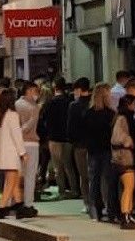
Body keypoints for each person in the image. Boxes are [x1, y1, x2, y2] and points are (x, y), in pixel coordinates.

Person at [0, 88, 33, 222]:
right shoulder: (12, 115)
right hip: (11, 153)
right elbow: (17, 136)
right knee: (11, 182)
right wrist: (23, 153)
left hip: (0, 152)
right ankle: (1, 209)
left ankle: (19, 206)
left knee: (13, 182)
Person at [83, 84, 118, 222]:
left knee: (94, 180)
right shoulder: (111, 114)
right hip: (107, 150)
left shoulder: (88, 113)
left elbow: (84, 133)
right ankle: (110, 209)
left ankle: (94, 210)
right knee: (108, 181)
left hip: (92, 150)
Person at [42, 78, 78, 198]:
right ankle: (74, 189)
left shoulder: (50, 103)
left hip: (54, 137)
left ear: (54, 86)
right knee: (69, 165)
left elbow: (45, 120)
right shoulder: (70, 101)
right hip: (68, 138)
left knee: (58, 167)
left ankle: (62, 191)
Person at [111, 95, 135, 229]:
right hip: (124, 158)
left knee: (129, 188)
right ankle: (125, 216)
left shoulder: (121, 117)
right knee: (128, 188)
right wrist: (129, 141)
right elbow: (118, 137)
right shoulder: (123, 118)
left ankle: (128, 214)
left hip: (124, 157)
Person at [67, 77, 93, 214]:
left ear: (78, 90)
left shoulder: (74, 106)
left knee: (83, 176)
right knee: (95, 174)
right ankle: (97, 201)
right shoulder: (94, 103)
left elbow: (70, 127)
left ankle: (87, 202)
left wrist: (72, 141)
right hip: (94, 144)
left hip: (80, 145)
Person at [16, 83, 42, 209]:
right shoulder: (34, 107)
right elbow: (30, 126)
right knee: (30, 175)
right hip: (31, 142)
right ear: (29, 90)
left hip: (17, 144)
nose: (37, 93)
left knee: (17, 174)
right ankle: (28, 203)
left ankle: (15, 201)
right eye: (35, 91)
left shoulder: (16, 104)